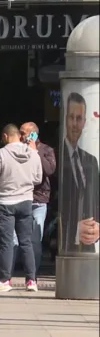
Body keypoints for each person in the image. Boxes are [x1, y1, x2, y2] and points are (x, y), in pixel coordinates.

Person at [0, 124, 43, 292]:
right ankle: (31, 280)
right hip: (26, 201)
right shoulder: (33, 153)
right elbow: (38, 179)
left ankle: (4, 280)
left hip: (5, 202)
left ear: (5, 136)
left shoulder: (1, 154)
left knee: (6, 243)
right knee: (26, 242)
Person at [59, 92, 100, 252]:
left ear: (84, 122)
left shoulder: (91, 160)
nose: (75, 124)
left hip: (90, 245)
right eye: (71, 117)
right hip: (68, 247)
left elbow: (96, 198)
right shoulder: (59, 157)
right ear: (65, 119)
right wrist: (75, 231)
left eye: (79, 118)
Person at [14, 122, 57, 271]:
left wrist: (35, 152)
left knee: (35, 238)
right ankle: (16, 265)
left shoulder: (46, 150)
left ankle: (33, 269)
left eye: (23, 132)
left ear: (33, 134)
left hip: (39, 199)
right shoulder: (19, 149)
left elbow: (50, 170)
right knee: (17, 235)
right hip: (21, 197)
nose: (20, 136)